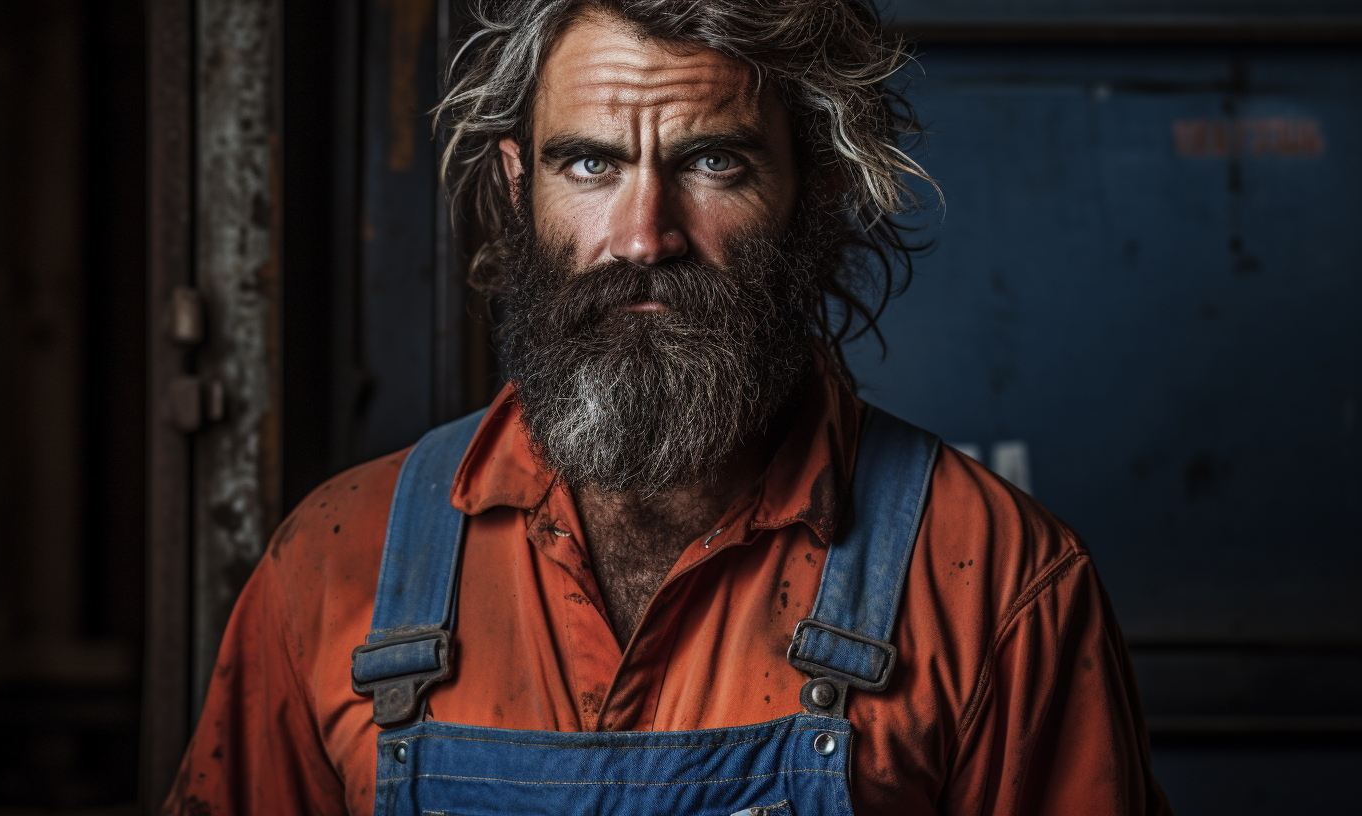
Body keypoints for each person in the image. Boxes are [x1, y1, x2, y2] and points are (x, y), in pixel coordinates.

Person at [163, 1, 1171, 814]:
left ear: (813, 194)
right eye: (590, 163)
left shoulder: (993, 585)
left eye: (711, 161)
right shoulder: (336, 565)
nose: (643, 237)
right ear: (518, 189)